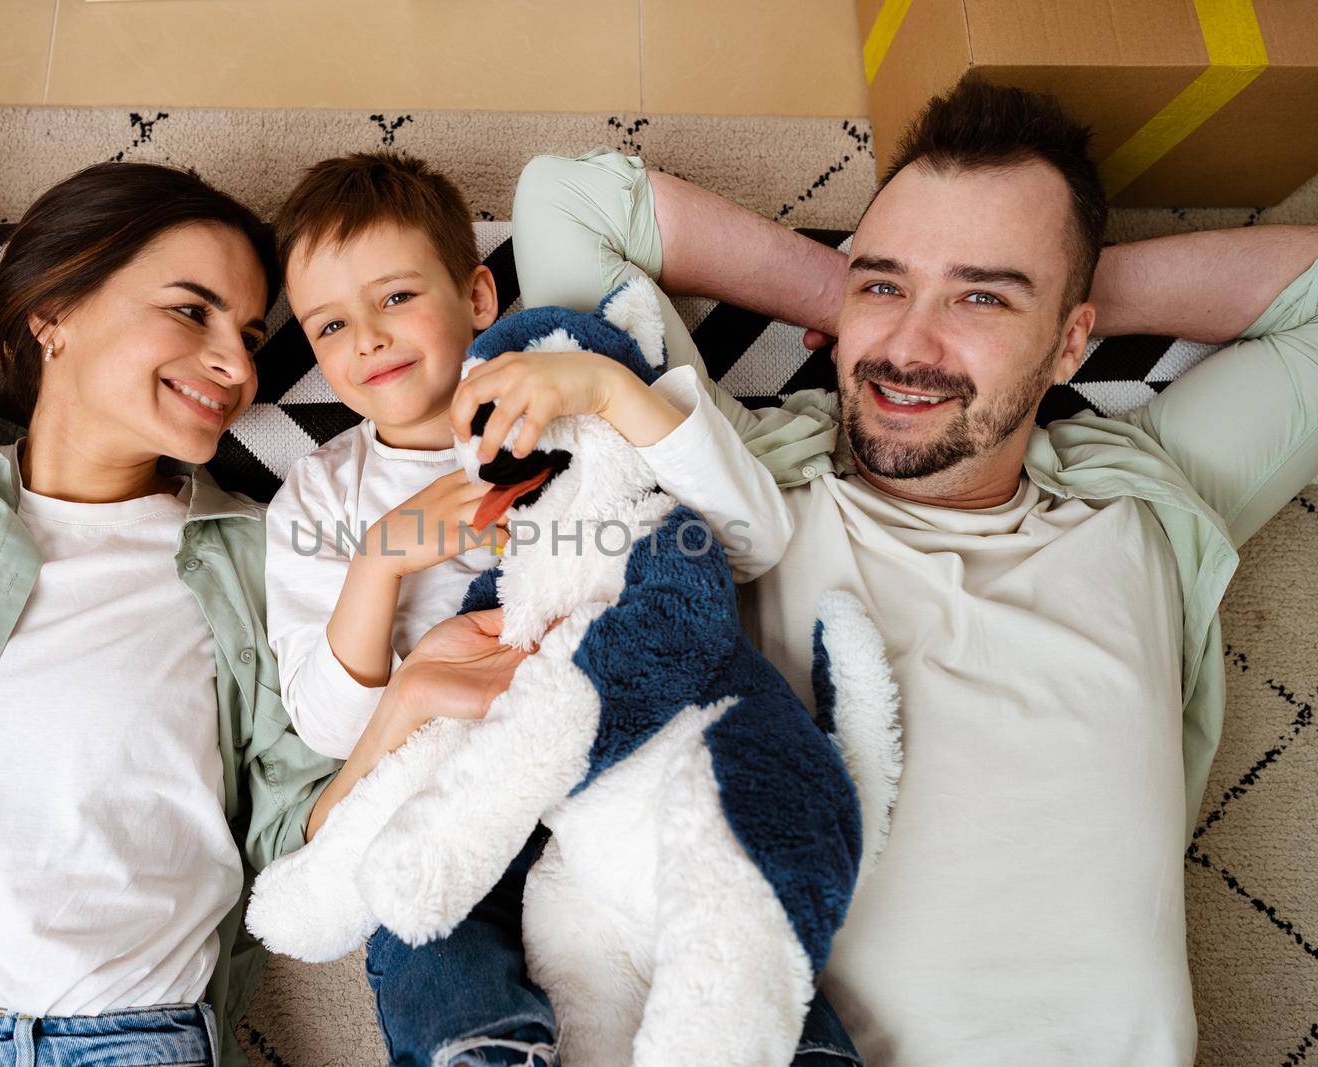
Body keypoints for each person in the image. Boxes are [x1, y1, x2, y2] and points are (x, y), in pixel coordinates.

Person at [505, 73, 1318, 1065]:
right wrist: (847, 296)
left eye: (982, 294)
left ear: (1071, 337)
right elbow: (567, 199)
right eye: (886, 282)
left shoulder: (1145, 499)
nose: (907, 346)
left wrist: (1069, 292)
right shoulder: (730, 476)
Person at [0, 160, 523, 1067]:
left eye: (251, 335)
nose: (237, 366)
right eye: (191, 310)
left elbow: (297, 838)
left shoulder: (267, 548)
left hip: (132, 1038)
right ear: (57, 311)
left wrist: (407, 701)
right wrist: (13, 317)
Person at [264, 151, 827, 1066]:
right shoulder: (321, 497)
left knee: (724, 906)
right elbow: (330, 726)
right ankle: (481, 1050)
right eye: (330, 325)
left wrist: (611, 394)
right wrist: (380, 563)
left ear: (479, 298)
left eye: (396, 298)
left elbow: (753, 534)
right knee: (415, 915)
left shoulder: (577, 387)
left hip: (622, 760)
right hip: (450, 790)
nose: (366, 338)